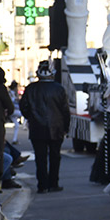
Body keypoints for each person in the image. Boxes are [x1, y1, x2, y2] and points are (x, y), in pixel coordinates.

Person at [19, 61, 70, 193]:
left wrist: (30, 117)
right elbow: (65, 110)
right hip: (56, 127)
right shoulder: (59, 89)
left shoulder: (31, 88)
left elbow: (23, 107)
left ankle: (42, 185)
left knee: (40, 158)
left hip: (37, 128)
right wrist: (66, 127)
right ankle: (54, 183)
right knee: (55, 157)